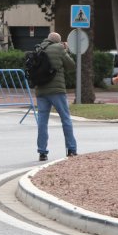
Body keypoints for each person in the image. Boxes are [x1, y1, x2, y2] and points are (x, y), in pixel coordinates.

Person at [33, 32, 77, 161]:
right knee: (65, 119)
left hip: (41, 91)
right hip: (57, 91)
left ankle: (42, 152)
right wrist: (66, 50)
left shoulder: (39, 48)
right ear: (58, 41)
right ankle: (71, 149)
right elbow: (71, 66)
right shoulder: (59, 48)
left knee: (42, 122)